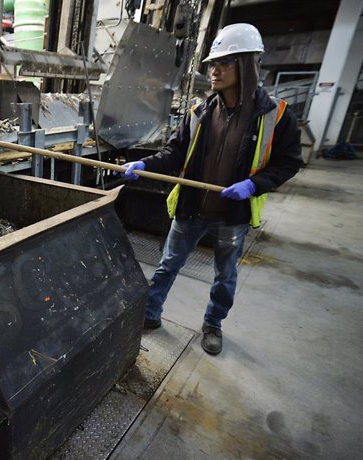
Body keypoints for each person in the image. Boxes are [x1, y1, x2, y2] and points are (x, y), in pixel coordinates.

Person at [122, 23, 302, 355]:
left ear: (246, 64)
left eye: (224, 63)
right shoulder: (200, 112)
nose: (214, 71)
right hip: (191, 208)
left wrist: (253, 185)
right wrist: (145, 166)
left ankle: (212, 325)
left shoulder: (275, 116)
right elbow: (174, 153)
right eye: (212, 64)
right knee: (167, 264)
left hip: (231, 215)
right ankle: (149, 314)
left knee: (224, 276)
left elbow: (289, 163)